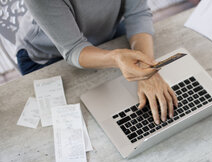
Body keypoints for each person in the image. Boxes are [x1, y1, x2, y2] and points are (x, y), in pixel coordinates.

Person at [16, 0, 177, 124]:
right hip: (48, 56)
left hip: (103, 35)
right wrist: (115, 58)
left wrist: (147, 68)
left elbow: (138, 14)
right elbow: (73, 48)